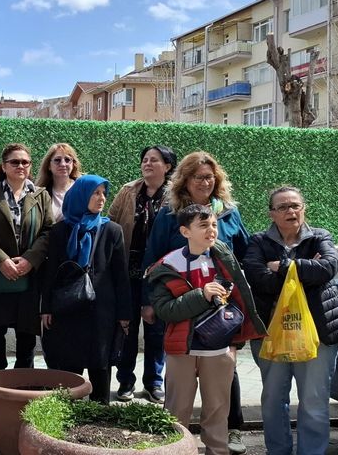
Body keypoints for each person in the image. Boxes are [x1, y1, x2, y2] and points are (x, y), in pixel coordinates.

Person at [142, 150, 250, 453]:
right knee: (179, 398)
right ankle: (176, 447)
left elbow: (244, 254)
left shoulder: (227, 211)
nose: (205, 181)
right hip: (182, 319)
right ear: (184, 181)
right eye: (198, 177)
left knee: (224, 384)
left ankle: (231, 432)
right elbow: (154, 257)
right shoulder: (169, 213)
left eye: (209, 177)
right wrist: (148, 302)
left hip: (221, 318)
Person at [243, 186, 338, 455]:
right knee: (272, 401)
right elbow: (259, 278)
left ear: (304, 208)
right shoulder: (258, 242)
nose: (291, 211)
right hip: (271, 333)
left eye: (295, 205)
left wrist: (282, 266)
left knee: (314, 402)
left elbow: (328, 268)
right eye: (282, 207)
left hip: (318, 334)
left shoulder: (320, 237)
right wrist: (305, 268)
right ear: (271, 214)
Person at [40, 175, 130, 404]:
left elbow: (121, 275)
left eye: (103, 194)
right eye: (95, 193)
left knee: (100, 363)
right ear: (81, 195)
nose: (101, 199)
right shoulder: (60, 230)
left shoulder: (112, 230)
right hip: (67, 308)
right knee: (68, 367)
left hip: (101, 310)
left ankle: (100, 416)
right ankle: (69, 419)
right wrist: (46, 307)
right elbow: (51, 272)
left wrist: (123, 315)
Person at [0, 143, 52, 372]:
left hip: (28, 275)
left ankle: (23, 381)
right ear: (4, 166)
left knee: (26, 332)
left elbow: (48, 230)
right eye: (14, 162)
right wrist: (0, 259)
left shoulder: (40, 195)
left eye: (25, 162)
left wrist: (30, 259)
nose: (20, 166)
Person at [108, 145, 177, 403]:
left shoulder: (176, 195)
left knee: (156, 328)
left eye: (154, 160)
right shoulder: (128, 191)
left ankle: (154, 382)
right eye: (145, 159)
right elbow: (111, 222)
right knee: (126, 326)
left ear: (168, 166)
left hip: (159, 273)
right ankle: (125, 380)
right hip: (128, 269)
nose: (147, 163)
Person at [35, 143, 81, 222]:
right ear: (49, 165)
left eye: (67, 160)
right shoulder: (39, 194)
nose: (63, 164)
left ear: (73, 164)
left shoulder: (82, 189)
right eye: (57, 160)